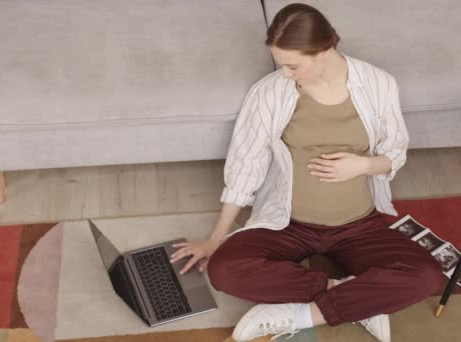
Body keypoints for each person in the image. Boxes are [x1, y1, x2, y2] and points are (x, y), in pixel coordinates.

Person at [169, 3, 445, 341]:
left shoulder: (378, 84)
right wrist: (215, 238)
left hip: (359, 225)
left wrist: (362, 165)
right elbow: (246, 165)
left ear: (325, 50)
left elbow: (394, 153)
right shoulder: (269, 93)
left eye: (293, 65)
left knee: (427, 276)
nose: (285, 73)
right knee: (224, 271)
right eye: (281, 64)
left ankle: (302, 314)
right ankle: (355, 297)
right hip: (288, 224)